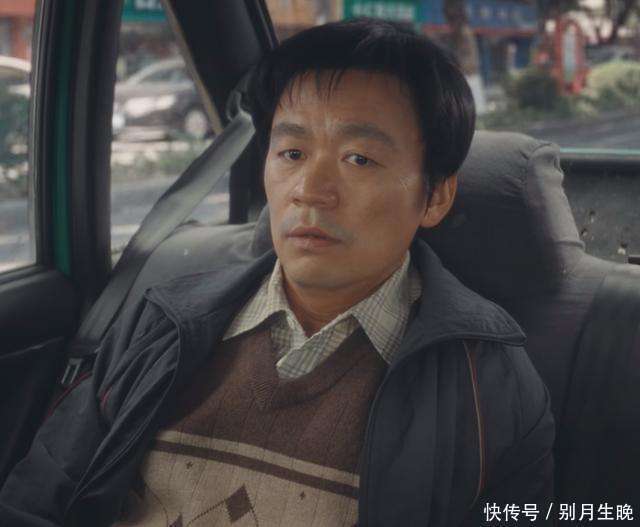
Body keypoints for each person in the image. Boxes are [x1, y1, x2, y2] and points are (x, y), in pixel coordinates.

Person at [0, 18, 554, 527]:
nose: (309, 190)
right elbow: (36, 501)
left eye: (359, 159)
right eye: (291, 153)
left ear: (435, 196)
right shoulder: (162, 325)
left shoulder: (487, 385)